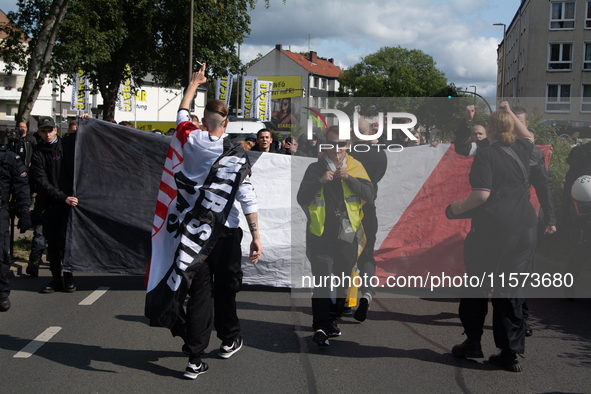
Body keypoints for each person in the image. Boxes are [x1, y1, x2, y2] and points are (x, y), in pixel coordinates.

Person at [146, 65, 262, 379]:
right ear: (226, 122)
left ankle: (195, 359)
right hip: (225, 232)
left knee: (199, 294)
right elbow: (246, 196)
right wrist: (256, 235)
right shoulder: (235, 154)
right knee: (227, 287)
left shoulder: (191, 141)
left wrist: (194, 83)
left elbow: (181, 113)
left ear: (205, 120)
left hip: (194, 232)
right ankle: (229, 337)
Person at [449, 102, 537, 372]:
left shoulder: (486, 154)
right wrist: (509, 112)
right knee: (509, 290)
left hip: (493, 231)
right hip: (525, 229)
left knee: (476, 285)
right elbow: (530, 136)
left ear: (490, 130)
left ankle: (473, 342)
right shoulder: (523, 149)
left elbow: (482, 195)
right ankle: (510, 353)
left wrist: (458, 209)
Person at [297, 125, 374, 346]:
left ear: (347, 145)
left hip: (347, 235)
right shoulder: (315, 168)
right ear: (325, 145)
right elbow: (301, 197)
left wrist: (349, 178)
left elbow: (370, 195)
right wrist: (319, 182)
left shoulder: (356, 167)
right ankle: (320, 325)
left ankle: (332, 319)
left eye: (341, 144)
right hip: (320, 234)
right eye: (332, 144)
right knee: (321, 281)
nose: (337, 148)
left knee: (342, 282)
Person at [31, 116, 79, 293]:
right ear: (39, 132)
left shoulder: (66, 144)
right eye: (43, 131)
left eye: (50, 130)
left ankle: (69, 278)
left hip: (69, 205)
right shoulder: (37, 152)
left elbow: (85, 136)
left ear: (56, 130)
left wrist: (85, 120)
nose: (47, 134)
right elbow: (42, 182)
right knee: (52, 244)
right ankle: (56, 279)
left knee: (67, 243)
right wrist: (62, 197)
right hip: (51, 204)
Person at [349, 118, 387, 322]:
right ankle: (367, 291)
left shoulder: (348, 154)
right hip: (368, 209)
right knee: (366, 254)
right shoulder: (380, 154)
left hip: (347, 210)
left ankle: (347, 299)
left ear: (355, 134)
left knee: (345, 254)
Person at [0, 138, 31, 311]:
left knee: (1, 255)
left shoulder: (8, 158)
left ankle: (2, 293)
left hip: (1, 211)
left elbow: (21, 187)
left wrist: (24, 212)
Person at [562, 141, 591, 299]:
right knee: (581, 252)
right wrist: (566, 211)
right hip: (585, 209)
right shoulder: (581, 153)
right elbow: (570, 183)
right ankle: (568, 286)